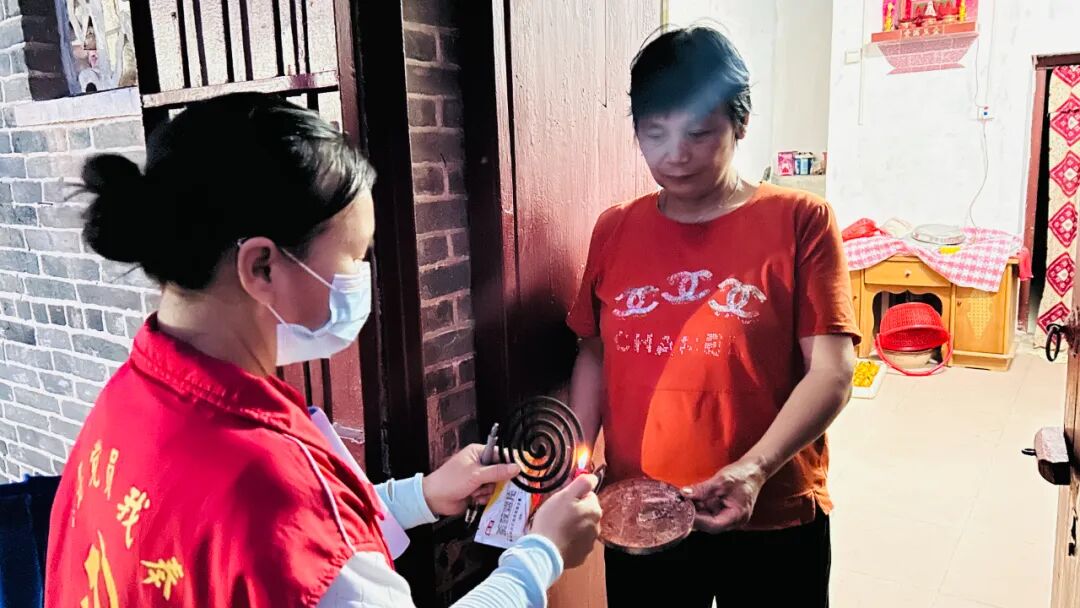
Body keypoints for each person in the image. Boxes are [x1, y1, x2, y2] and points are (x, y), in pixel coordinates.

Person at [45, 93, 601, 608]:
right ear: (262, 266)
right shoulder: (275, 494)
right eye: (354, 257)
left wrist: (421, 496)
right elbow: (307, 541)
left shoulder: (128, 403)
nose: (363, 279)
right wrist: (541, 554)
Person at [567, 26, 857, 607]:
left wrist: (753, 469)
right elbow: (594, 353)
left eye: (698, 133)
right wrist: (577, 457)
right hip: (641, 515)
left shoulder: (801, 221)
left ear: (740, 123)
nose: (675, 155)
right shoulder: (615, 228)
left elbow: (833, 371)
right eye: (654, 134)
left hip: (770, 511)